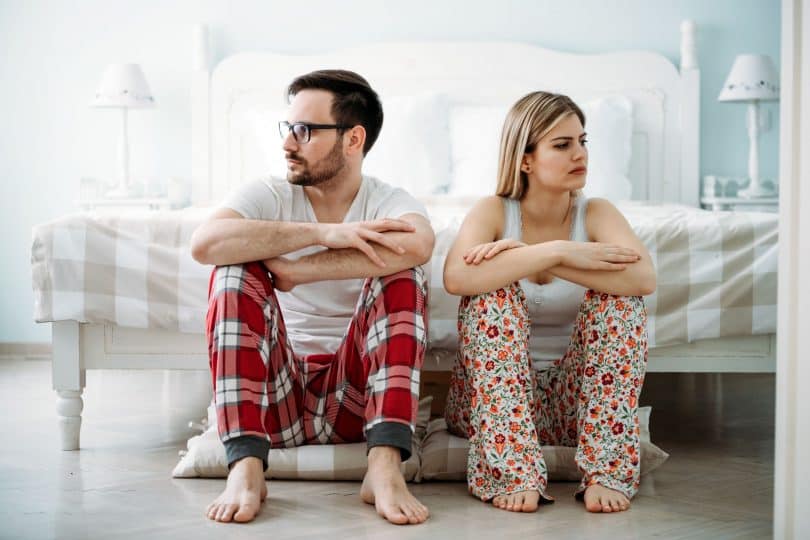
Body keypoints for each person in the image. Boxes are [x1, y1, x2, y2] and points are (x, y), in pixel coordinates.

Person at [190, 69, 434, 525]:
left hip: (355, 401)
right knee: (232, 271)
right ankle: (245, 466)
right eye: (288, 129)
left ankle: (383, 467)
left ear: (353, 138)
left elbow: (418, 245)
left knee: (404, 273)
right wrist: (325, 233)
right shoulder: (269, 193)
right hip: (273, 398)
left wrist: (300, 270)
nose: (288, 143)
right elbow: (205, 243)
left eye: (305, 131)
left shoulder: (388, 200)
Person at [442, 91, 656, 514]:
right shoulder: (493, 211)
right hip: (487, 405)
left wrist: (543, 258)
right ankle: (511, 472)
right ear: (525, 159)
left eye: (583, 141)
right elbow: (457, 277)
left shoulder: (597, 213)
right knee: (491, 296)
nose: (580, 154)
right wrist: (555, 251)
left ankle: (606, 471)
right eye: (562, 145)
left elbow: (643, 278)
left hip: (571, 406)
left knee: (620, 301)